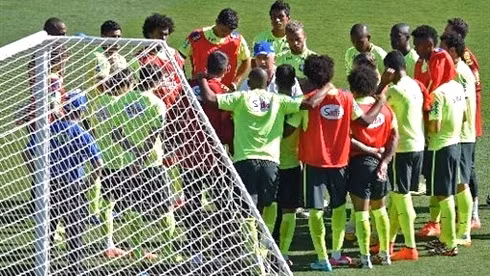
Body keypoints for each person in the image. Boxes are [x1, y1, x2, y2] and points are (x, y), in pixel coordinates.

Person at [285, 54, 388, 271]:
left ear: (311, 77)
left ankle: (322, 259)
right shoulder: (347, 98)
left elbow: (289, 130)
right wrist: (380, 102)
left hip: (314, 165)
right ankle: (337, 254)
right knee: (339, 208)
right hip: (340, 165)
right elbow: (366, 121)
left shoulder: (306, 102)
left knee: (316, 211)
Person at [25, 90, 102, 275]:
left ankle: (43, 265)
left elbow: (27, 153)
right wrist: (88, 184)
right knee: (75, 229)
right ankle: (75, 267)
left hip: (49, 185)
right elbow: (98, 163)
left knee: (47, 228)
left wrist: (37, 176)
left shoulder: (48, 129)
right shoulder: (82, 133)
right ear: (82, 111)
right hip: (73, 186)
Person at [111, 64, 176, 261]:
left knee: (133, 208)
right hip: (152, 164)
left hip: (128, 164)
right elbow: (154, 135)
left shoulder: (121, 101)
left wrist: (131, 151)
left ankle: (138, 251)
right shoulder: (157, 103)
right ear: (156, 81)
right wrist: (141, 155)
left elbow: (116, 134)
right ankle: (168, 251)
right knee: (166, 209)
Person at [348, 66, 398, 269]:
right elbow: (395, 137)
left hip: (359, 164)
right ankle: (385, 254)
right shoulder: (386, 109)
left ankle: (364, 256)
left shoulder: (352, 109)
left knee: (361, 212)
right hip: (380, 165)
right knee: (380, 210)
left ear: (354, 87)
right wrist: (385, 161)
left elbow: (348, 140)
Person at [412, 25, 457, 237]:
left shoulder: (439, 58)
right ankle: (437, 223)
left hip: (440, 119)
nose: (415, 49)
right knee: (436, 183)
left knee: (442, 188)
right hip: (434, 118)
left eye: (418, 45)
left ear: (429, 44)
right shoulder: (422, 61)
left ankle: (447, 234)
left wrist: (421, 105)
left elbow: (434, 87)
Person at [85, 19, 128, 242]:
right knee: (97, 163)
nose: (117, 41)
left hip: (116, 115)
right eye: (113, 37)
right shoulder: (98, 57)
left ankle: (110, 203)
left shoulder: (120, 58)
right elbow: (103, 85)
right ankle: (92, 208)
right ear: (103, 37)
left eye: (119, 37)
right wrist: (119, 79)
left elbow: (127, 83)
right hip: (97, 115)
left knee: (113, 161)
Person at [86, 69, 133, 258]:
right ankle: (116, 245)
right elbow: (122, 133)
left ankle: (109, 242)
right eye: (129, 85)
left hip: (104, 159)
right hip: (121, 161)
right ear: (123, 86)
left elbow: (93, 128)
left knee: (108, 204)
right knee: (127, 204)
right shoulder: (122, 103)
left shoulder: (99, 102)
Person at [383, 51, 424, 261]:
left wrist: (382, 83)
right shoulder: (415, 84)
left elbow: (376, 103)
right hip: (418, 146)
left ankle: (410, 247)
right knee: (399, 197)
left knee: (401, 195)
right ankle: (388, 244)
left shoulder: (395, 90)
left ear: (389, 69)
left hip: (402, 149)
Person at [444, 18, 483, 228]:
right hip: (463, 121)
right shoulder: (458, 58)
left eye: (447, 32)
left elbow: (472, 93)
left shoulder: (465, 61)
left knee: (468, 169)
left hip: (467, 122)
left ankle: (473, 214)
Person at [424, 75, 466, 257]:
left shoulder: (438, 94)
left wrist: (422, 118)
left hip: (439, 148)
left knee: (443, 195)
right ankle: (446, 240)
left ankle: (450, 244)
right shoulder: (456, 87)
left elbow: (434, 126)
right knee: (448, 192)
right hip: (455, 144)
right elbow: (464, 117)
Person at [440, 32, 476, 246]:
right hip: (459, 134)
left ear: (453, 51)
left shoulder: (460, 73)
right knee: (457, 182)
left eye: (443, 49)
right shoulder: (459, 70)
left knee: (461, 183)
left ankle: (464, 232)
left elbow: (460, 107)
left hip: (461, 135)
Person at [179, 8, 251, 90]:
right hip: (199, 89)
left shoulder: (237, 39)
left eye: (229, 31)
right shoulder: (197, 37)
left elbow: (246, 60)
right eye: (223, 30)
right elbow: (179, 57)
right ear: (217, 22)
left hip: (225, 92)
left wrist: (236, 81)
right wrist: (183, 80)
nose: (226, 34)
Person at [138, 13, 184, 107]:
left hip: (177, 108)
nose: (163, 38)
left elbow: (183, 80)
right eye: (160, 34)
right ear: (149, 33)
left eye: (166, 34)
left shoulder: (175, 55)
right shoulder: (141, 59)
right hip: (153, 108)